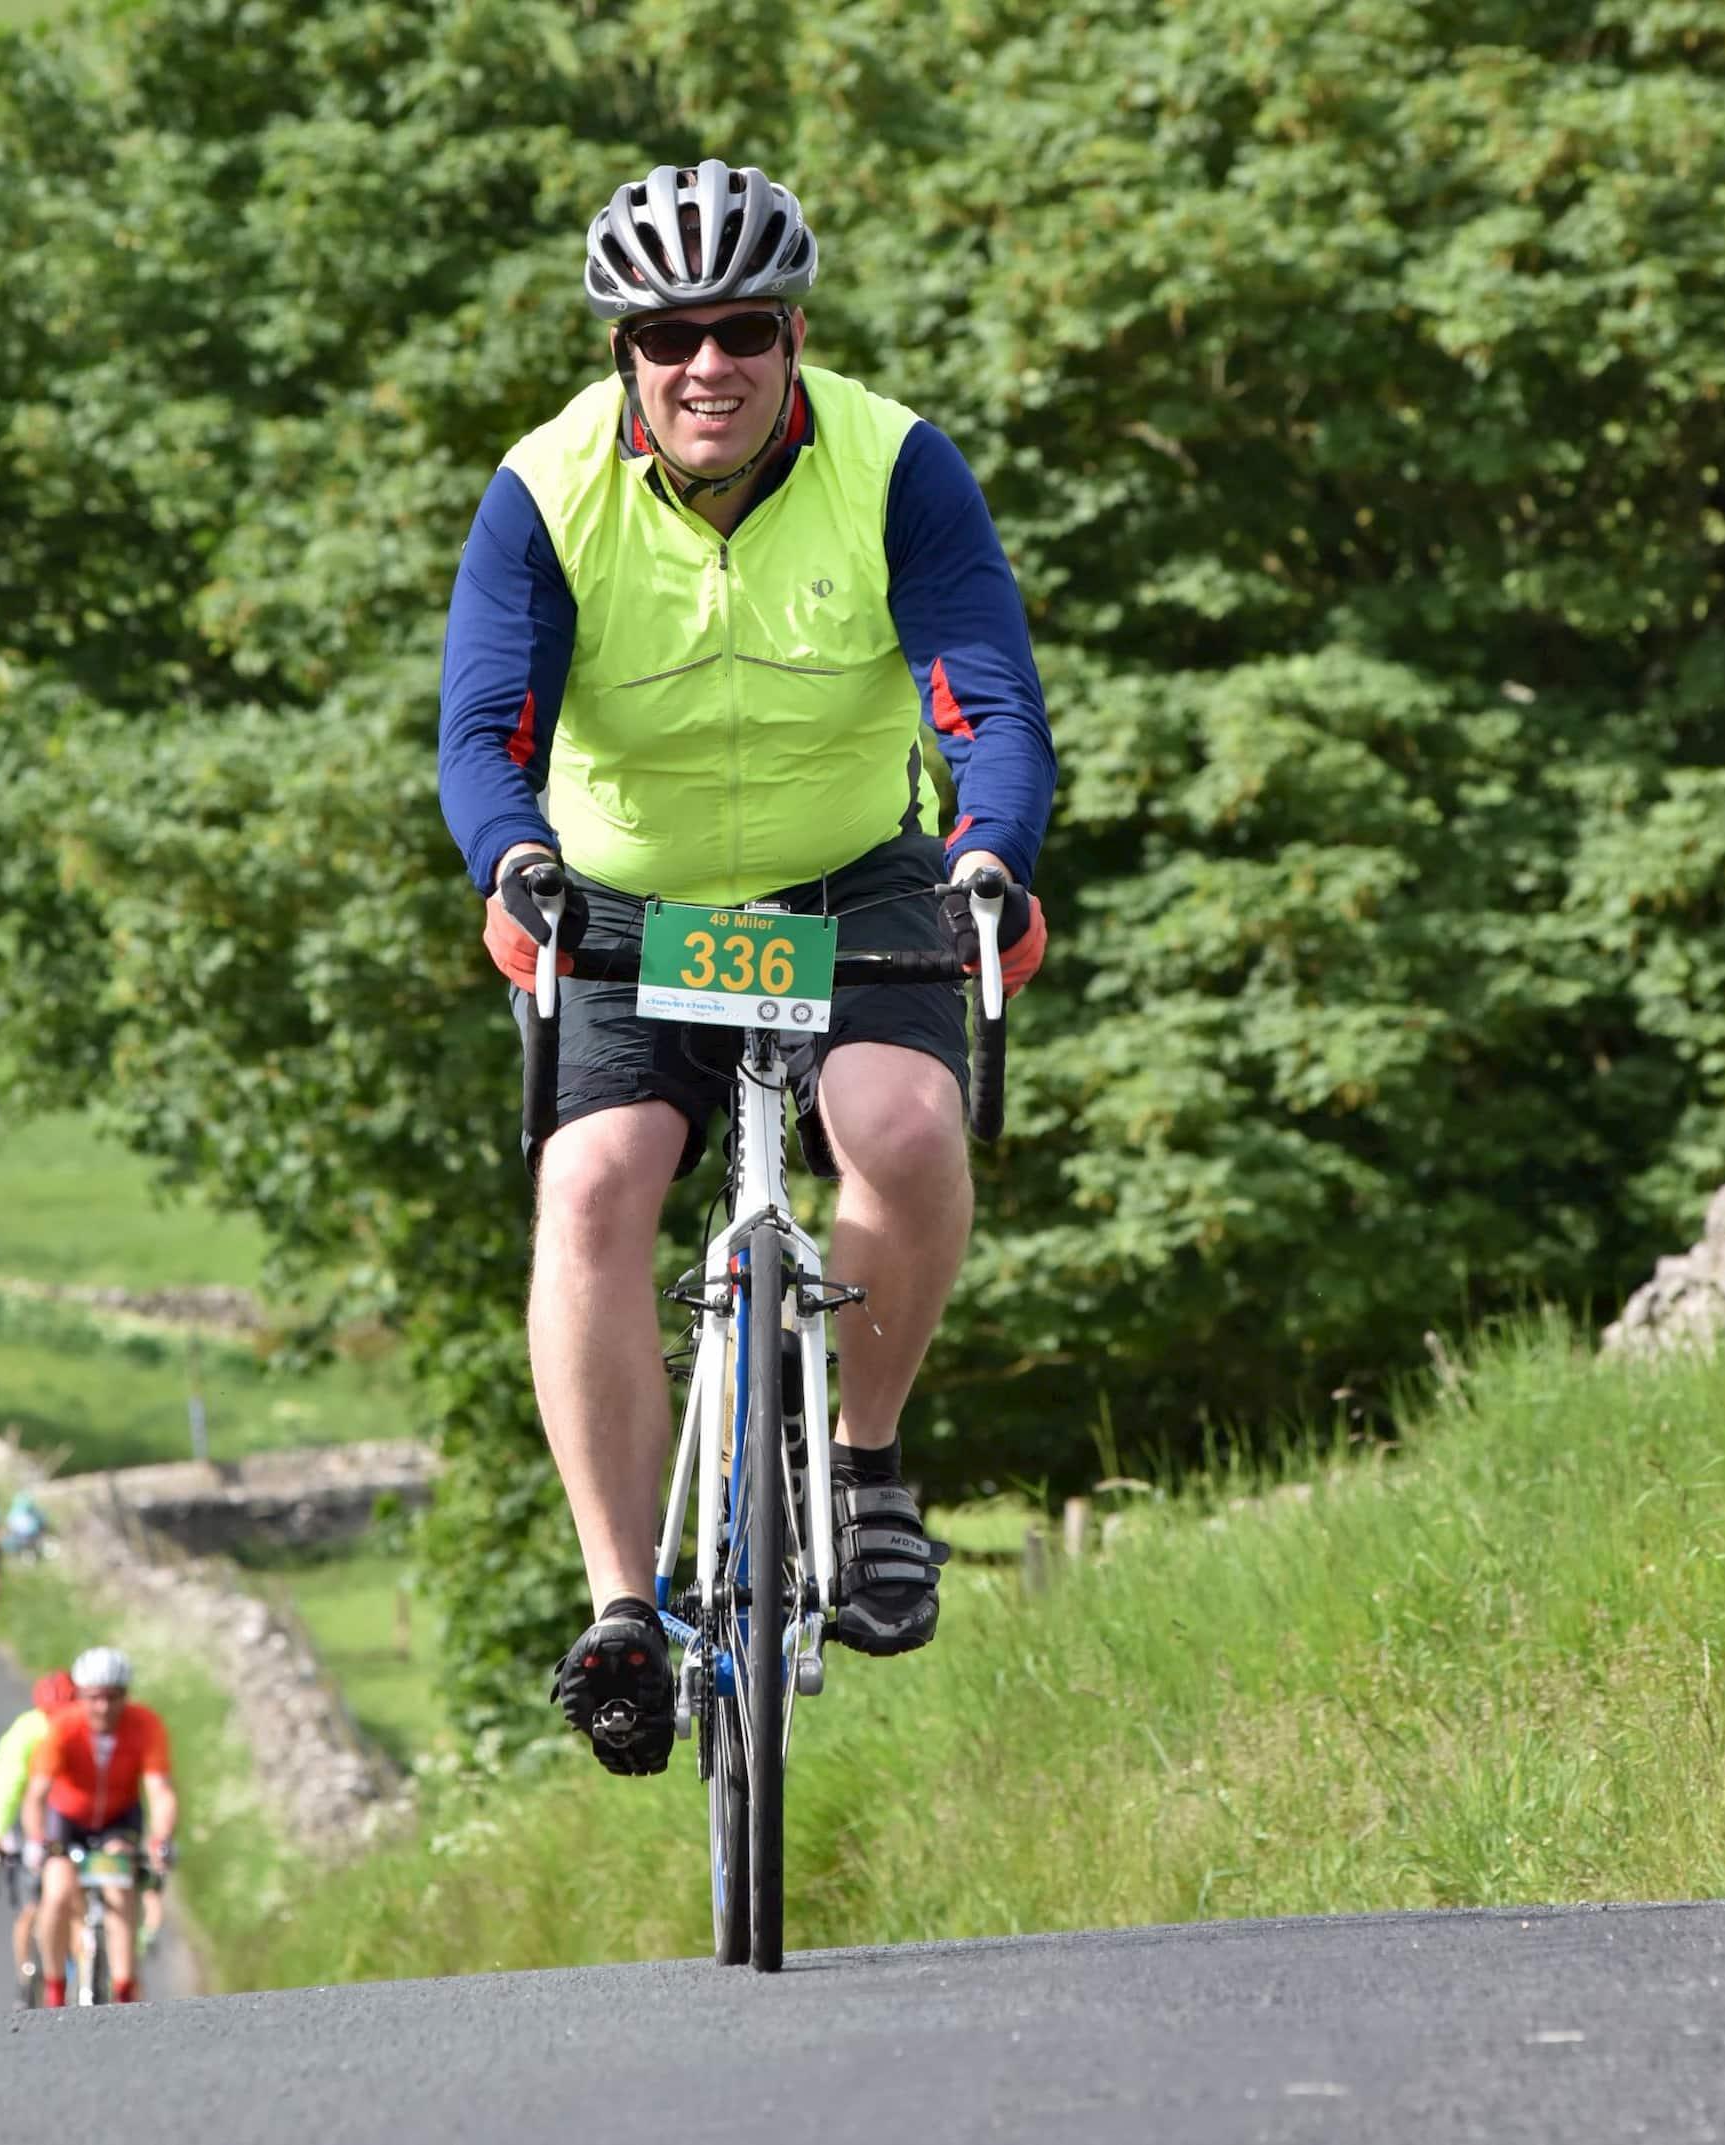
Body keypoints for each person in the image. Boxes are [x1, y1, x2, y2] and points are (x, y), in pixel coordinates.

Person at [438, 159, 1055, 1775]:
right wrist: (514, 858)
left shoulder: (897, 464)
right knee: (594, 1192)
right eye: (666, 335)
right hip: (628, 901)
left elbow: (982, 691)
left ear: (795, 335)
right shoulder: (545, 490)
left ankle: (862, 1462)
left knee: (908, 1133)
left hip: (850, 883)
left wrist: (990, 847)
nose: (704, 363)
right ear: (623, 354)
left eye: (743, 330)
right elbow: (483, 730)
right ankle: (621, 1608)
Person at [21, 1646, 177, 2007]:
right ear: (80, 1695)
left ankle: (124, 1988)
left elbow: (160, 1791)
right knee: (57, 1892)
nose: (104, 1708)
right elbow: (36, 1795)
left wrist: (161, 1837)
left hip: (118, 1818)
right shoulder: (63, 1727)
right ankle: (55, 1988)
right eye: (94, 1698)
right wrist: (35, 1840)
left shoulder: (145, 1724)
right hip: (68, 1819)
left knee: (120, 1884)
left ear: (126, 1695)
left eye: (113, 1697)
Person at [0, 1667, 77, 2005]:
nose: (57, 1721)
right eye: (51, 1715)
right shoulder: (27, 1731)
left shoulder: (82, 1728)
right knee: (31, 1906)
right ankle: (25, 1978)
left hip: (68, 1816)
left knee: (75, 1896)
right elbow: (4, 1784)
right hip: (30, 1816)